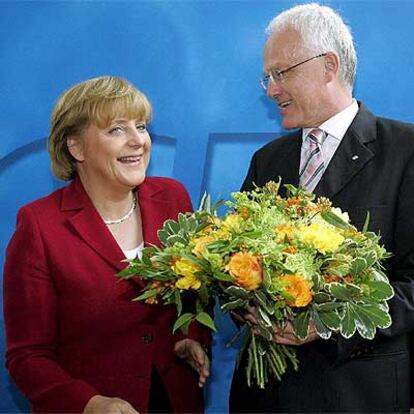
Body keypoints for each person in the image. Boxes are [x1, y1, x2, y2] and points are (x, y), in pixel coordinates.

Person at [230, 3, 414, 413]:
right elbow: (234, 269)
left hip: (357, 394)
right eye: (268, 77)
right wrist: (250, 306)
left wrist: (328, 325)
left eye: (281, 73)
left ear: (328, 65)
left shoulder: (405, 151)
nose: (271, 89)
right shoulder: (267, 160)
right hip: (265, 396)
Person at [3, 76, 210, 414]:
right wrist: (90, 404)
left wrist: (191, 336)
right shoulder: (39, 226)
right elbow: (27, 357)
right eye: (116, 130)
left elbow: (193, 296)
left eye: (141, 127)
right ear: (76, 147)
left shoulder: (173, 199)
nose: (137, 141)